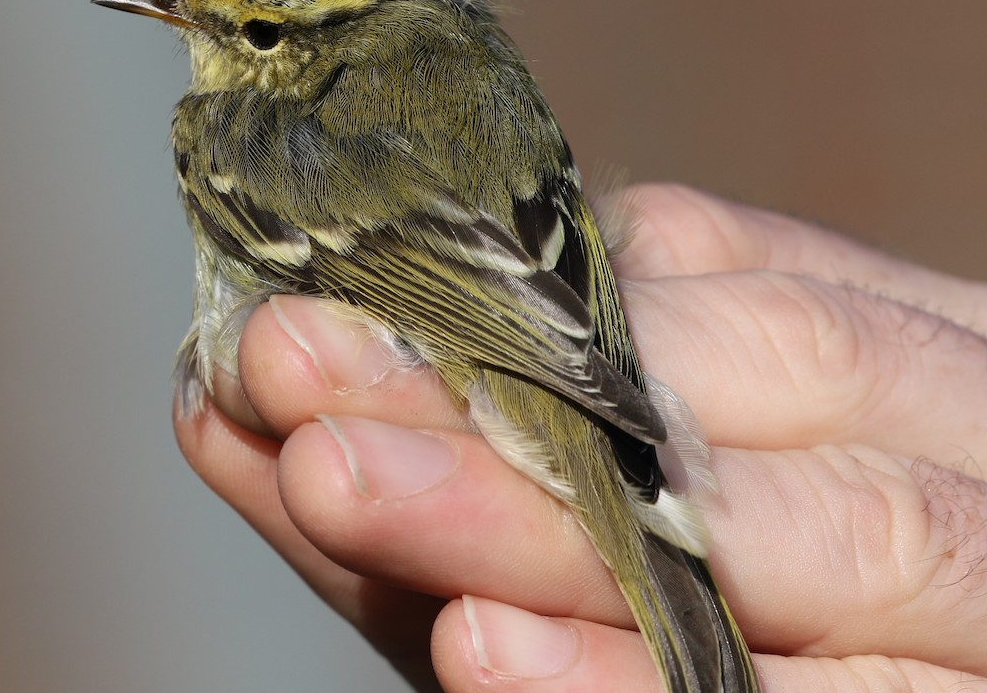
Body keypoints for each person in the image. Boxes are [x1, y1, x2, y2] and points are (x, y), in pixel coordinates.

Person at [176, 184, 987, 692]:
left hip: (477, 335)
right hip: (554, 316)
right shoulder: (480, 75)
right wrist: (586, 352)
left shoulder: (229, 136)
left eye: (259, 31)